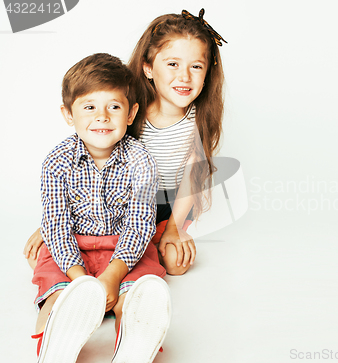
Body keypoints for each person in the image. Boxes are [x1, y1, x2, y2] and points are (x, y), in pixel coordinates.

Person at [24, 8, 227, 276]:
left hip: (168, 208)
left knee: (176, 264)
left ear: (207, 73)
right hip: (117, 201)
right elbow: (96, 165)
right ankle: (96, 249)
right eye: (173, 64)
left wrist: (174, 228)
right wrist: (52, 223)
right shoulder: (130, 112)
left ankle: (139, 252)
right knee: (38, 254)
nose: (184, 76)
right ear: (148, 68)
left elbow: (192, 177)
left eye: (196, 66)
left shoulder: (199, 119)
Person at [31, 53, 171, 363]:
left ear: (131, 113)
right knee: (58, 294)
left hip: (124, 248)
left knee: (135, 292)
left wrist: (113, 275)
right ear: (69, 114)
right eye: (90, 107)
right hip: (71, 249)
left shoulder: (141, 160)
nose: (103, 117)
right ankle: (56, 343)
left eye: (114, 107)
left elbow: (139, 224)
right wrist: (80, 280)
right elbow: (55, 225)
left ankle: (135, 338)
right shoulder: (57, 162)